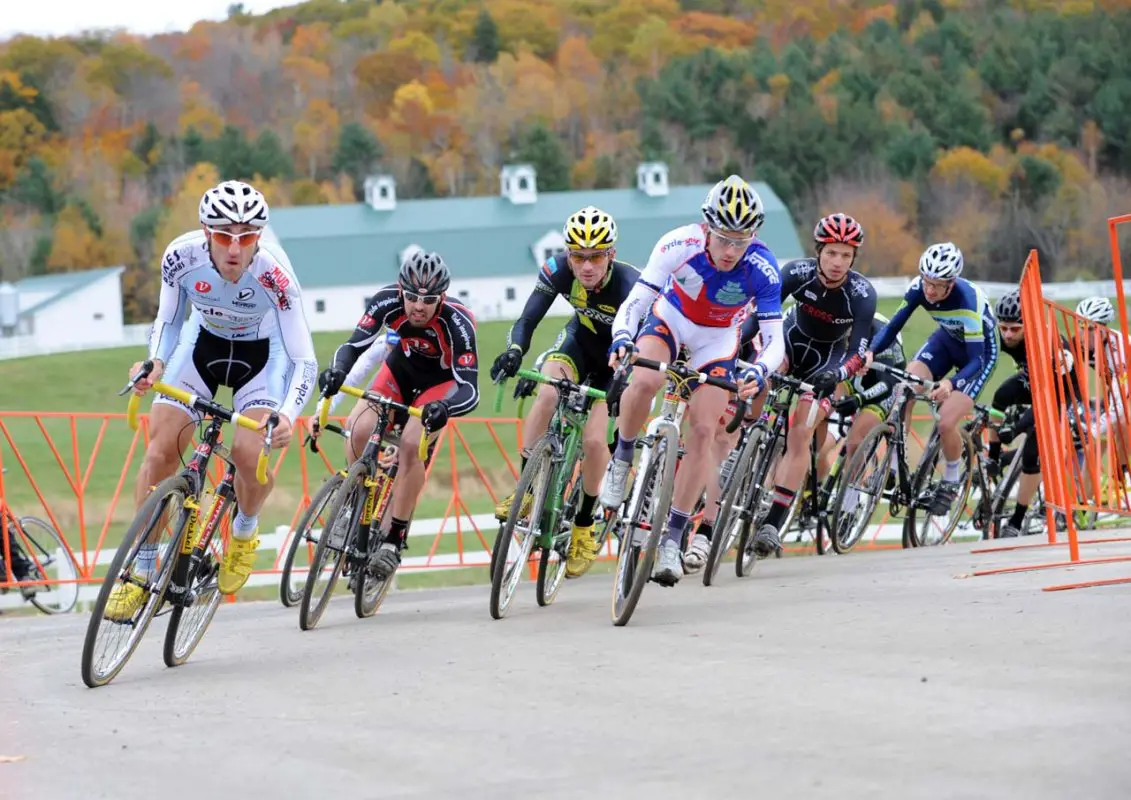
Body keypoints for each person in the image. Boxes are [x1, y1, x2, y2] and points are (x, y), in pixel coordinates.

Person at [113, 180, 317, 620]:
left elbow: (305, 361)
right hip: (201, 344)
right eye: (224, 236)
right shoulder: (180, 257)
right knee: (159, 452)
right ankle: (142, 572)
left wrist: (286, 415)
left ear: (258, 237)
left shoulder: (276, 275)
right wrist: (154, 363)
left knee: (248, 454)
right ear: (206, 232)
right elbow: (168, 320)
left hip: (262, 355)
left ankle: (243, 530)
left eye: (246, 237)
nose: (235, 249)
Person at [600, 174, 785, 586]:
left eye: (741, 241)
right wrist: (623, 338)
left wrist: (758, 369)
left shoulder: (762, 266)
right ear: (706, 228)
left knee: (703, 431)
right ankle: (622, 457)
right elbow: (636, 302)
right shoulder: (678, 244)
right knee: (645, 380)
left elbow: (775, 343)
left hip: (717, 341)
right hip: (672, 320)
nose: (730, 251)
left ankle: (673, 536)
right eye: (723, 239)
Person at [489, 206, 640, 577]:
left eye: (596, 256)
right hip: (578, 344)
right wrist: (514, 351)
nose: (586, 266)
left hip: (618, 364)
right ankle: (527, 490)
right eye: (578, 256)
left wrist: (626, 384)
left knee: (593, 441)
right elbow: (527, 318)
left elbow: (647, 341)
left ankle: (584, 526)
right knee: (546, 393)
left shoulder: (630, 285)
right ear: (568, 256)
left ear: (612, 255)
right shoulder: (558, 271)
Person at [318, 251, 479, 578]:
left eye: (429, 299)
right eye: (411, 297)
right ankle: (353, 498)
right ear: (400, 290)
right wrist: (337, 372)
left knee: (409, 445)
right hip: (400, 371)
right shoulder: (385, 301)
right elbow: (353, 347)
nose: (418, 306)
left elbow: (470, 389)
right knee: (358, 428)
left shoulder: (458, 322)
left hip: (439, 386)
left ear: (442, 298)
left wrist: (444, 408)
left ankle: (394, 538)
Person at [745, 212, 877, 558]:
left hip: (828, 360)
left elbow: (858, 349)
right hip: (790, 341)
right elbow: (761, 316)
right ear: (818, 250)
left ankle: (774, 521)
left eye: (846, 255)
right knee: (759, 377)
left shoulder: (861, 293)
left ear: (854, 258)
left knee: (801, 431)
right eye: (831, 253)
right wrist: (741, 348)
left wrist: (840, 375)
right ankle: (746, 440)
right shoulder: (796, 273)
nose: (837, 262)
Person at [866, 242, 998, 517]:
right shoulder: (918, 288)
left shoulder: (967, 301)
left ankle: (950, 480)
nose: (930, 290)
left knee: (946, 421)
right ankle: (892, 464)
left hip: (978, 354)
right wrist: (869, 353)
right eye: (927, 282)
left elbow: (975, 359)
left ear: (951, 283)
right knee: (905, 388)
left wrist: (950, 384)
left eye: (937, 285)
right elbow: (893, 326)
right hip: (946, 341)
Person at [987, 290, 1078, 537]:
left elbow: (1045, 401)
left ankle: (1016, 521)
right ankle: (993, 459)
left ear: (1029, 324)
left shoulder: (1045, 342)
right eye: (1003, 328)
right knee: (1001, 395)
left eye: (1014, 329)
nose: (1007, 334)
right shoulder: (1003, 335)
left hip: (1059, 391)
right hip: (1032, 380)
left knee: (1032, 451)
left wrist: (1015, 429)